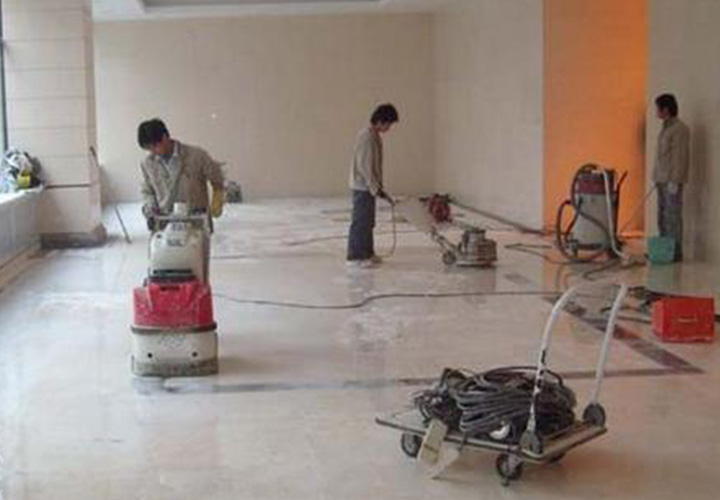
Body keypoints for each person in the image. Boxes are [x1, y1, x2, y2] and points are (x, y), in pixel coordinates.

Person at [137, 119, 225, 231]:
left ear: (165, 137)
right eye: (148, 149)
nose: (152, 152)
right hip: (165, 221)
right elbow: (147, 191)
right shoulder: (148, 164)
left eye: (155, 146)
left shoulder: (196, 155)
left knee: (195, 241)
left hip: (196, 220)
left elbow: (217, 178)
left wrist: (218, 197)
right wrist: (151, 210)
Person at [347, 104, 399, 267]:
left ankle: (367, 253)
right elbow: (365, 167)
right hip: (363, 187)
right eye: (388, 124)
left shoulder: (374, 136)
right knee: (361, 222)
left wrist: (378, 187)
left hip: (369, 187)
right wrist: (375, 188)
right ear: (380, 121)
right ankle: (355, 257)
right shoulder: (366, 137)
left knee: (368, 222)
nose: (389, 128)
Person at [652, 94, 690, 262]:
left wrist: (675, 180)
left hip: (671, 181)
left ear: (665, 109)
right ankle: (664, 250)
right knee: (662, 216)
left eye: (658, 108)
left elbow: (679, 157)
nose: (656, 112)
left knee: (672, 216)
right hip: (661, 179)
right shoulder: (665, 128)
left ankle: (675, 251)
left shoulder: (680, 130)